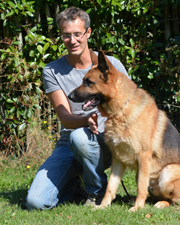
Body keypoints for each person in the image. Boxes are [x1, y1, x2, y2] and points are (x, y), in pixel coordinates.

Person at [25, 6, 129, 210]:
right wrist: (85, 120)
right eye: (66, 35)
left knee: (81, 138)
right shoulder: (52, 71)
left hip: (107, 142)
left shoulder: (110, 64)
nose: (72, 41)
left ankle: (97, 194)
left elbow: (129, 104)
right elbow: (64, 116)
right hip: (68, 143)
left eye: (77, 34)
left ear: (88, 33)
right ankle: (73, 187)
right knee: (35, 203)